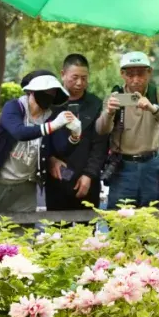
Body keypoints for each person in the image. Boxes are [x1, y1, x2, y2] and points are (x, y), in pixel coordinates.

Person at [0, 73, 77, 215]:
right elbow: (19, 132)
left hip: (26, 183)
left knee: (25, 232)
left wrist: (75, 135)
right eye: (45, 92)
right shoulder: (13, 107)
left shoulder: (50, 116)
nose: (49, 96)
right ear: (32, 92)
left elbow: (61, 148)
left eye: (53, 93)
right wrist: (52, 126)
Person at [97, 51, 159, 209]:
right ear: (122, 74)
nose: (135, 80)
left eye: (140, 74)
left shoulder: (157, 93)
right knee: (118, 219)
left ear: (149, 72)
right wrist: (109, 112)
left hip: (151, 164)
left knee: (151, 217)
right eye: (130, 74)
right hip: (122, 165)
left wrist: (152, 108)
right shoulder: (115, 96)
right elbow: (101, 129)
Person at [45, 54, 107, 211]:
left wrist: (89, 175)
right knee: (56, 234)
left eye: (84, 78)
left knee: (87, 234)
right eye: (75, 77)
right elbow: (40, 139)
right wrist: (49, 159)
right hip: (56, 179)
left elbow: (100, 144)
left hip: (86, 181)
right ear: (63, 74)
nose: (80, 83)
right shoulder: (49, 104)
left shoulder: (96, 104)